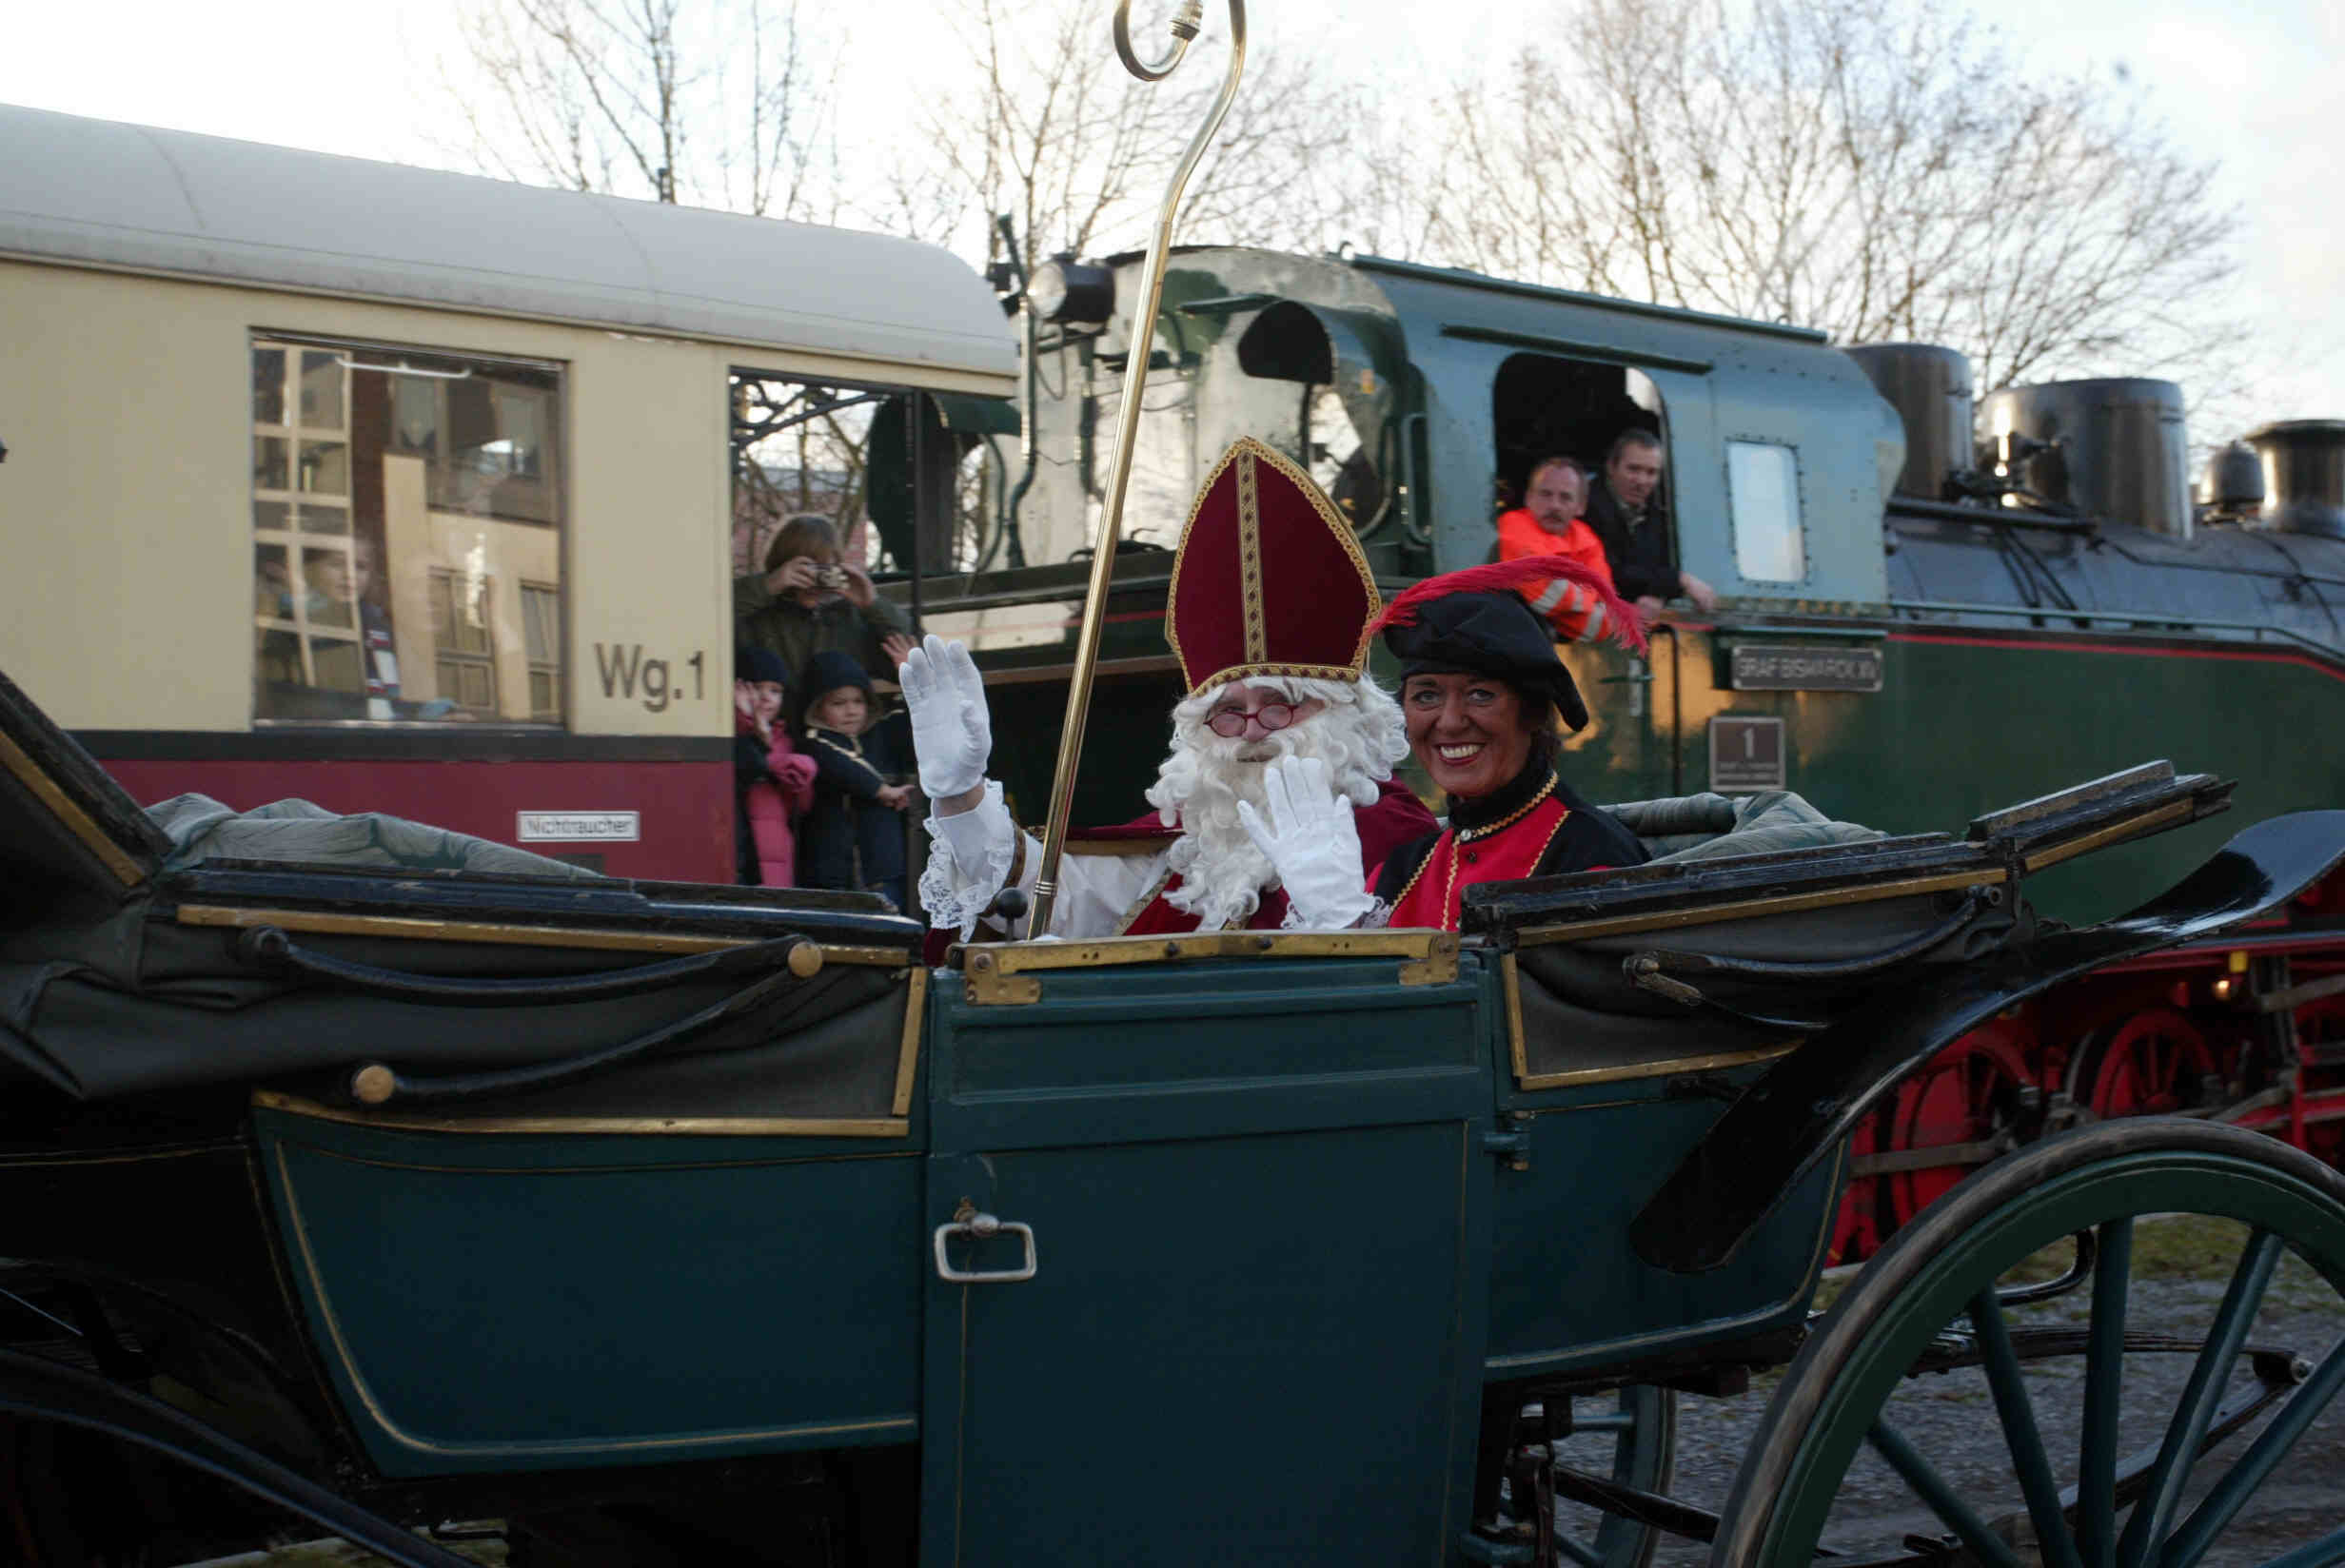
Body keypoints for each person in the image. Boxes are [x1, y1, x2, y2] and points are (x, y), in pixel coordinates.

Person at [904, 437, 1438, 940]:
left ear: (1348, 715)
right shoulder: (1189, 847)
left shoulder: (1405, 845)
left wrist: (1340, 917)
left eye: (1281, 706)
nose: (1251, 732)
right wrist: (961, 794)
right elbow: (1045, 908)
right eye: (1227, 712)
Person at [1237, 557, 1650, 932]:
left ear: (1531, 713)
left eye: (1480, 695)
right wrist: (1340, 925)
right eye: (1426, 696)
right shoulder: (1402, 869)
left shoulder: (1591, 854)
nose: (1449, 723)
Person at [797, 649, 916, 914]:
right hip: (835, 874)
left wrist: (911, 680)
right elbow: (839, 765)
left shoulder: (879, 734)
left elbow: (916, 720)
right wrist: (881, 790)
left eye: (858, 702)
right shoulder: (815, 742)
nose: (851, 711)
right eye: (838, 704)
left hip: (884, 869)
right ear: (818, 708)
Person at [735, 514, 916, 686]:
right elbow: (712, 623)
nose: (813, 581)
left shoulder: (850, 618)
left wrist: (873, 604)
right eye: (805, 569)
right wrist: (767, 586)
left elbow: (919, 657)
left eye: (823, 570)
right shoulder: (757, 616)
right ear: (782, 566)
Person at [1494, 457, 1627, 644]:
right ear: (1528, 498)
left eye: (1565, 497)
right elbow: (1549, 593)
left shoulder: (1587, 539)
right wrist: (1588, 599)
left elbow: (1608, 620)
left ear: (1580, 506)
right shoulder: (1511, 526)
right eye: (1545, 494)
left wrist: (1558, 611)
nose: (1554, 505)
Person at [1584, 430, 1717, 617]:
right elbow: (1611, 572)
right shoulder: (1585, 506)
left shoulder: (1661, 510)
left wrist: (1659, 595)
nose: (1642, 481)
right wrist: (1679, 580)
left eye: (1651, 472)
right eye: (1633, 469)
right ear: (1611, 467)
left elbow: (1660, 565)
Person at [733, 646, 818, 887]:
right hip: (739, 846)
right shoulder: (728, 738)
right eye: (757, 688)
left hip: (776, 850)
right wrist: (753, 731)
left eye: (775, 690)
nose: (767, 697)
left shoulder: (785, 740)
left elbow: (802, 805)